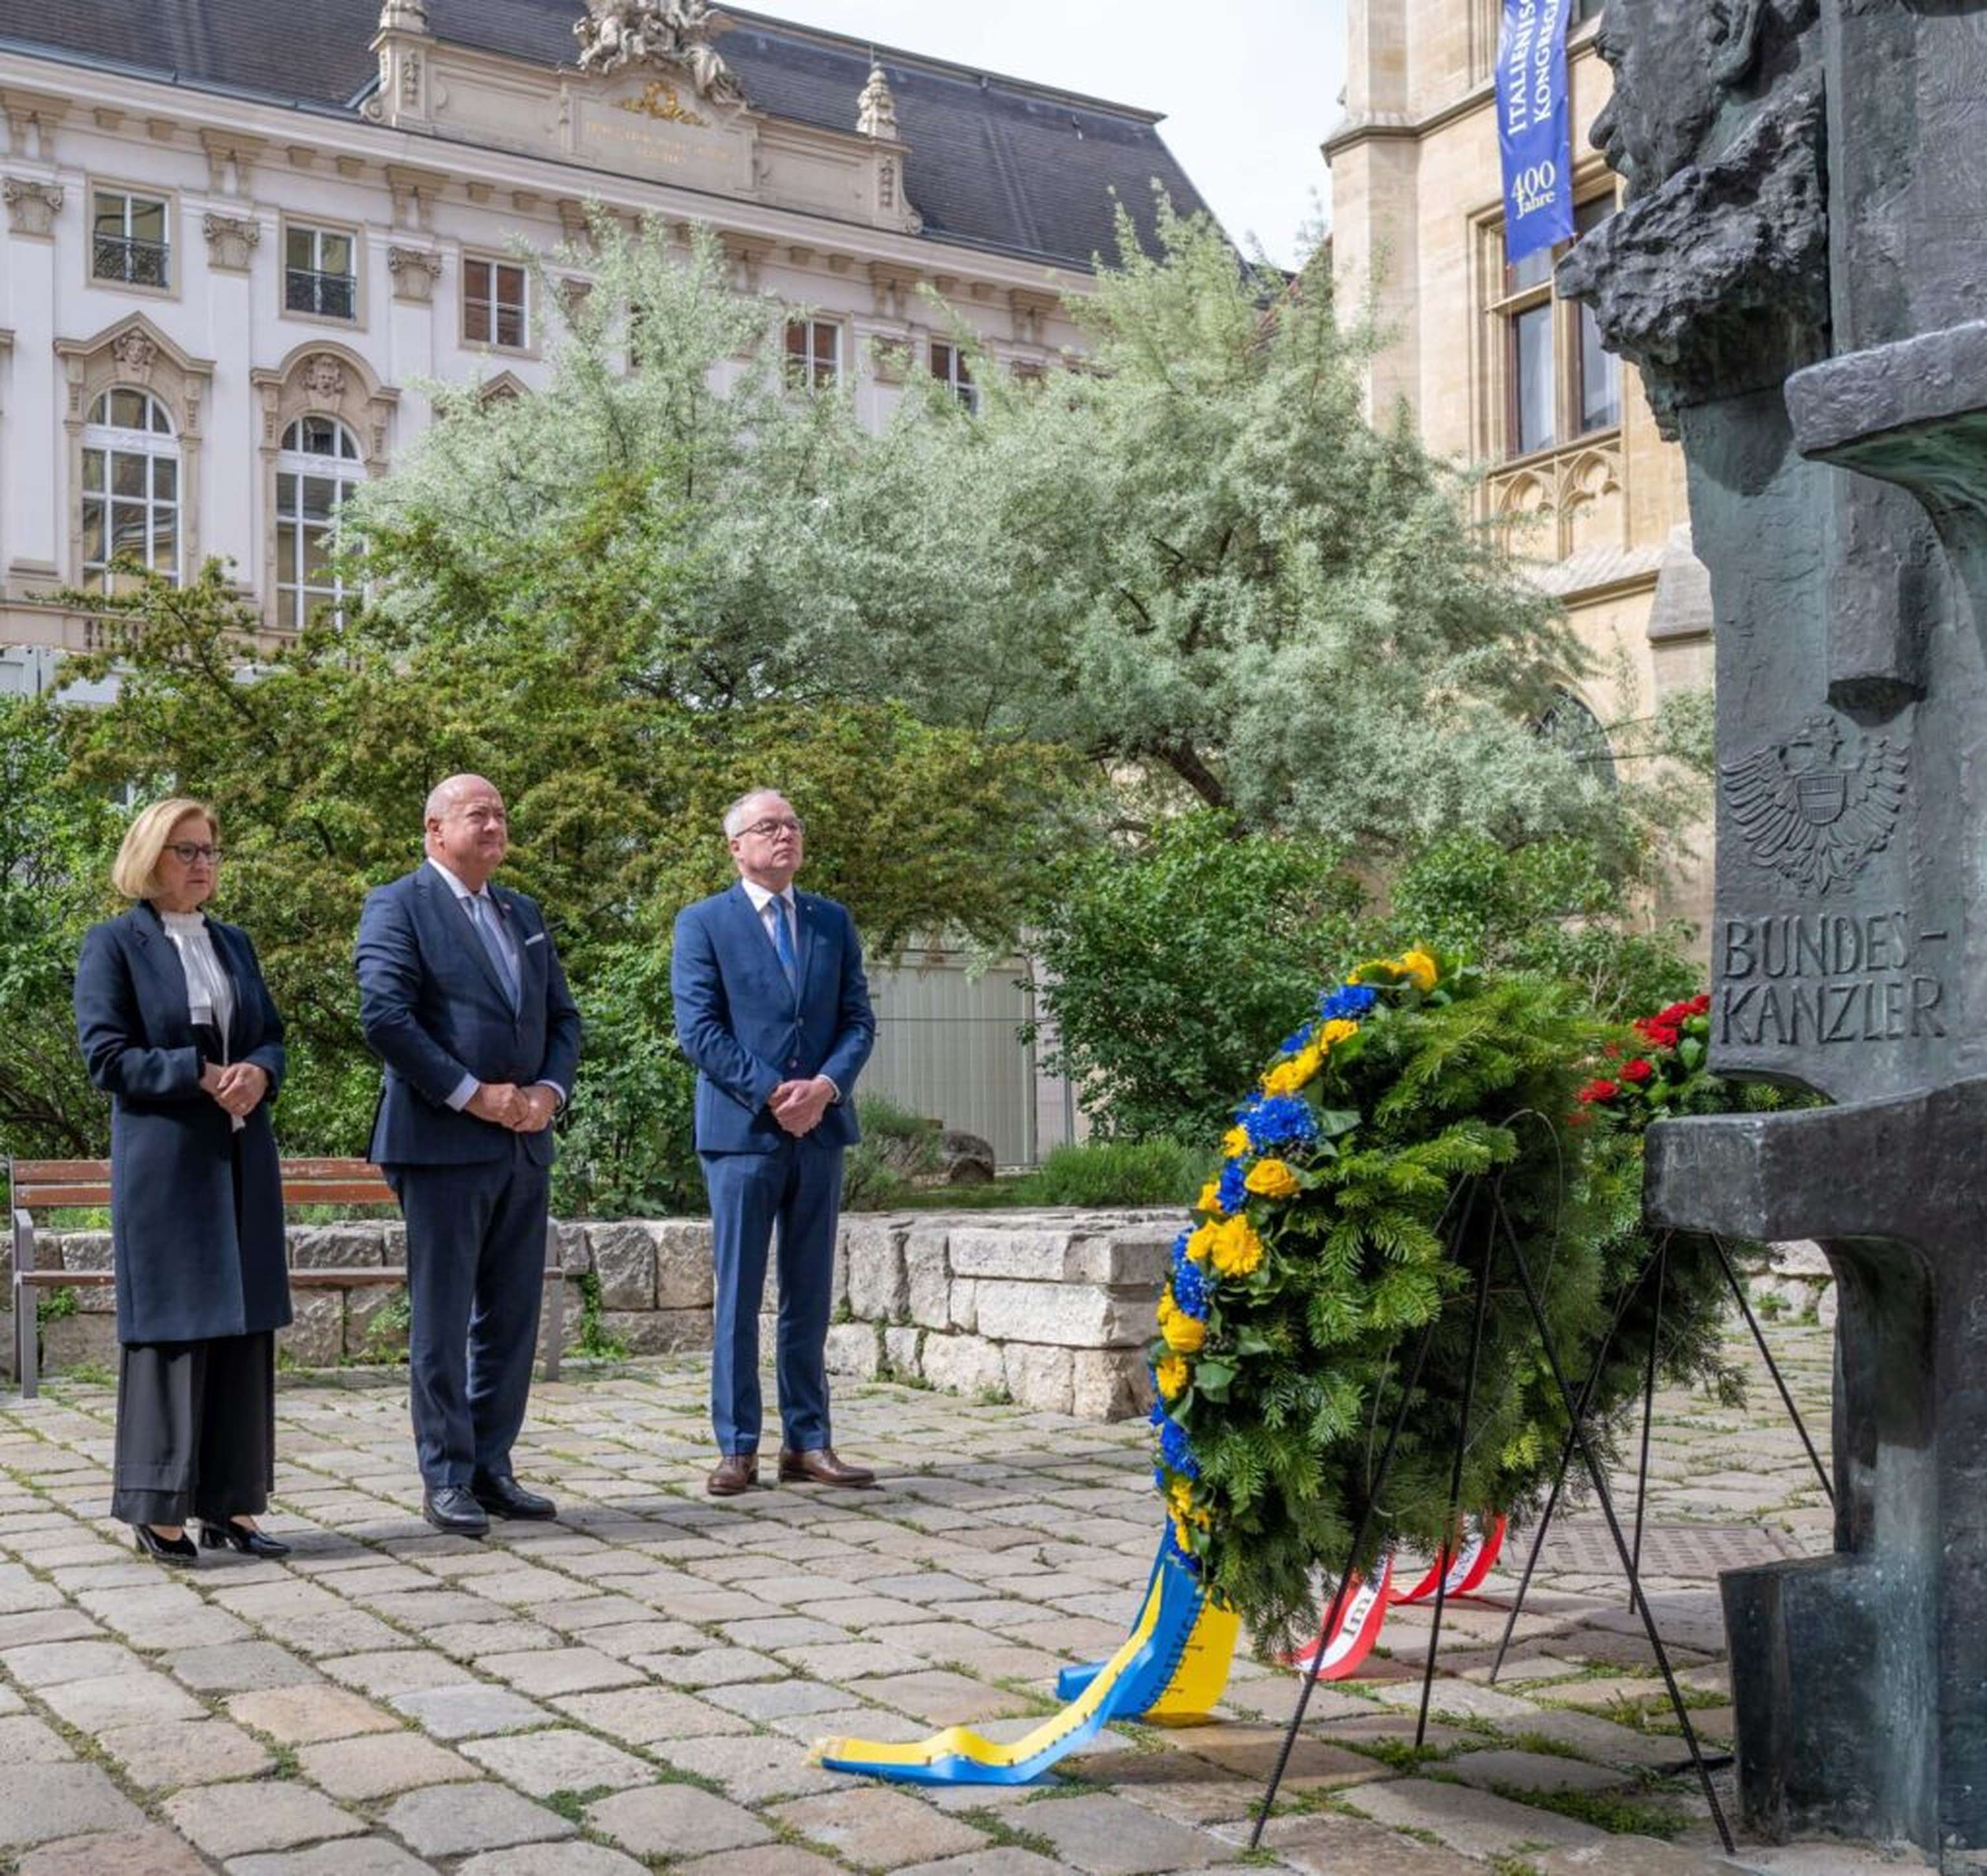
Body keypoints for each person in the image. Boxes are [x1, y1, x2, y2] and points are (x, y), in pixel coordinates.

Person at [355, 775, 581, 1536]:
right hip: (443, 1143)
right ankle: (445, 1476)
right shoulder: (399, 905)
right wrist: (470, 1093)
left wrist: (547, 1092)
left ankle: (492, 1466)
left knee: (512, 1317)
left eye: (502, 814)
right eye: (478, 813)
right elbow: (384, 1015)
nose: (495, 824)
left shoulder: (522, 912)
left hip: (524, 1142)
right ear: (433, 828)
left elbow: (562, 1018)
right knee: (444, 1319)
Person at [73, 798, 292, 1566]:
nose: (202, 864)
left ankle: (232, 1505)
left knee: (243, 1327)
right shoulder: (115, 945)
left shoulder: (234, 943)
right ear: (148, 858)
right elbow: (107, 1057)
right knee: (174, 1331)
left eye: (209, 851)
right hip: (167, 1164)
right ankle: (159, 1509)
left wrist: (258, 1073)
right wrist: (197, 1074)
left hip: (241, 1154)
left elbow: (269, 1033)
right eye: (185, 851)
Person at [671, 789, 877, 1496]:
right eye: (767, 827)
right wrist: (770, 1092)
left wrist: (823, 1087)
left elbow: (858, 1021)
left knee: (810, 1292)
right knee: (739, 1294)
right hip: (743, 1135)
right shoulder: (704, 924)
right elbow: (700, 1031)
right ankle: (737, 1447)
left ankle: (808, 1441)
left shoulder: (831, 921)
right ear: (736, 846)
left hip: (820, 1131)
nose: (784, 835)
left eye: (792, 825)